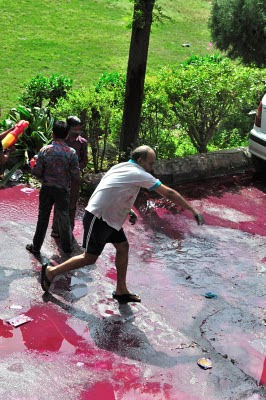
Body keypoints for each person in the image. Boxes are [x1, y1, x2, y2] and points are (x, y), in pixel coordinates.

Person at [40, 145, 204, 302]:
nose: (152, 166)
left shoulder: (121, 167)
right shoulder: (139, 173)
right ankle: (51, 271)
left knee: (123, 247)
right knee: (89, 258)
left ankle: (121, 290)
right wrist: (192, 209)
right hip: (99, 217)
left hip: (109, 217)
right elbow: (168, 192)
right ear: (140, 160)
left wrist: (128, 210)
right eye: (150, 162)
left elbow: (114, 188)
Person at [26, 120, 80, 255]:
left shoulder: (45, 150)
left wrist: (32, 165)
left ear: (52, 133)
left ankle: (36, 247)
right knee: (64, 219)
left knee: (43, 218)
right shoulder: (71, 153)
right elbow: (76, 175)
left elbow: (37, 172)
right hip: (62, 190)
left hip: (47, 189)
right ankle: (67, 248)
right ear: (67, 135)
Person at [51, 116, 88, 237]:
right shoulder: (61, 140)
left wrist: (75, 168)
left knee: (72, 204)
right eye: (75, 128)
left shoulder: (82, 143)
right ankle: (56, 229)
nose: (78, 130)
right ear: (69, 127)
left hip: (74, 179)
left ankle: (68, 230)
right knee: (59, 202)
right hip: (60, 178)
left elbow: (84, 161)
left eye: (79, 128)